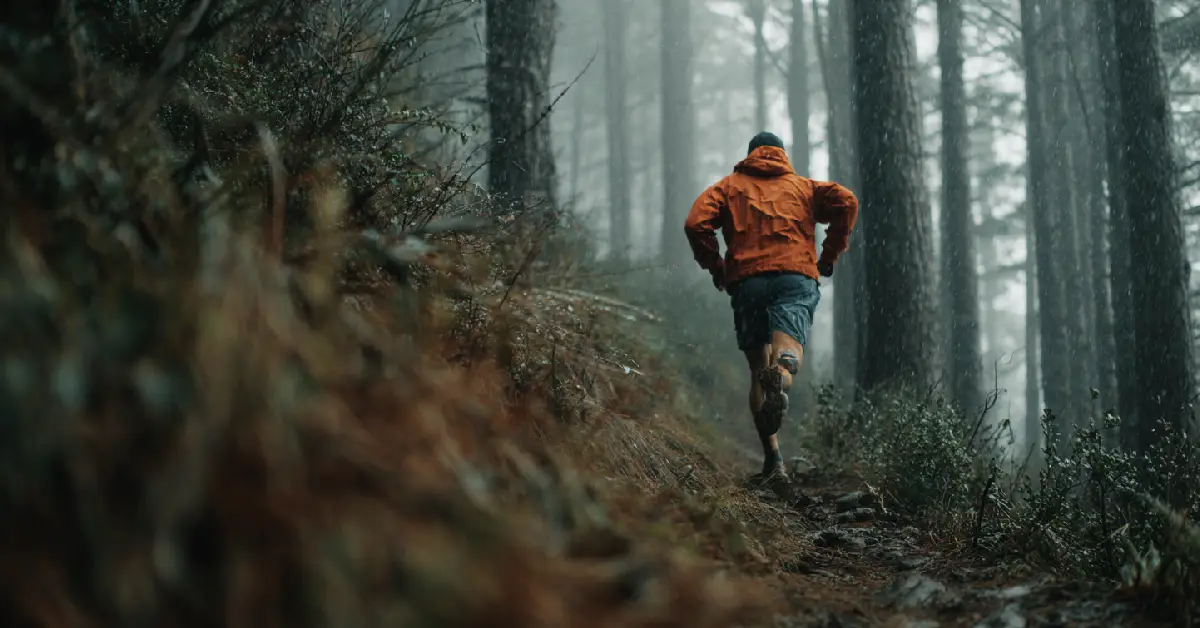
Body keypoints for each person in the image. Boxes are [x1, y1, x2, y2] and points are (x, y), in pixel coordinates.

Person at [684, 131, 859, 484]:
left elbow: (695, 223)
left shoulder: (729, 187)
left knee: (756, 370)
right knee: (785, 351)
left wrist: (717, 266)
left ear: (750, 155)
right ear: (782, 155)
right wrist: (829, 255)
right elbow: (847, 201)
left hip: (748, 283)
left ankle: (774, 460)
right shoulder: (805, 188)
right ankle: (782, 374)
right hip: (795, 276)